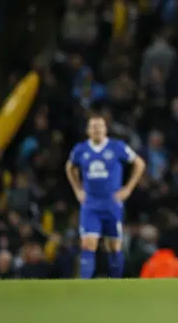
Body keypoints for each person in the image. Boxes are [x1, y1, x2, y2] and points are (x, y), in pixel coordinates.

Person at [65, 115, 145, 278]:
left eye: (99, 126)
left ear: (105, 129)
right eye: (93, 126)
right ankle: (84, 285)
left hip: (112, 203)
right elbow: (69, 167)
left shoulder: (117, 147)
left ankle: (116, 282)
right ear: (88, 130)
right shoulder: (81, 150)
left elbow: (139, 163)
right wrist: (77, 189)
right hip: (91, 204)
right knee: (88, 244)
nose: (96, 129)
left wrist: (128, 189)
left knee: (114, 247)